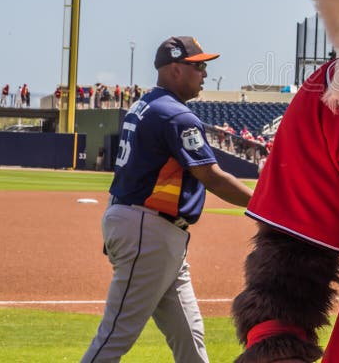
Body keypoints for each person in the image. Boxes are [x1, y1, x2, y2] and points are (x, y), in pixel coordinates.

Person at [82, 36, 253, 363]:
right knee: (115, 336)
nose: (204, 73)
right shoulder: (176, 116)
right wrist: (263, 203)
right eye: (199, 66)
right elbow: (211, 176)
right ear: (176, 70)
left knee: (190, 336)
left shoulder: (145, 105)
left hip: (150, 228)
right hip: (149, 229)